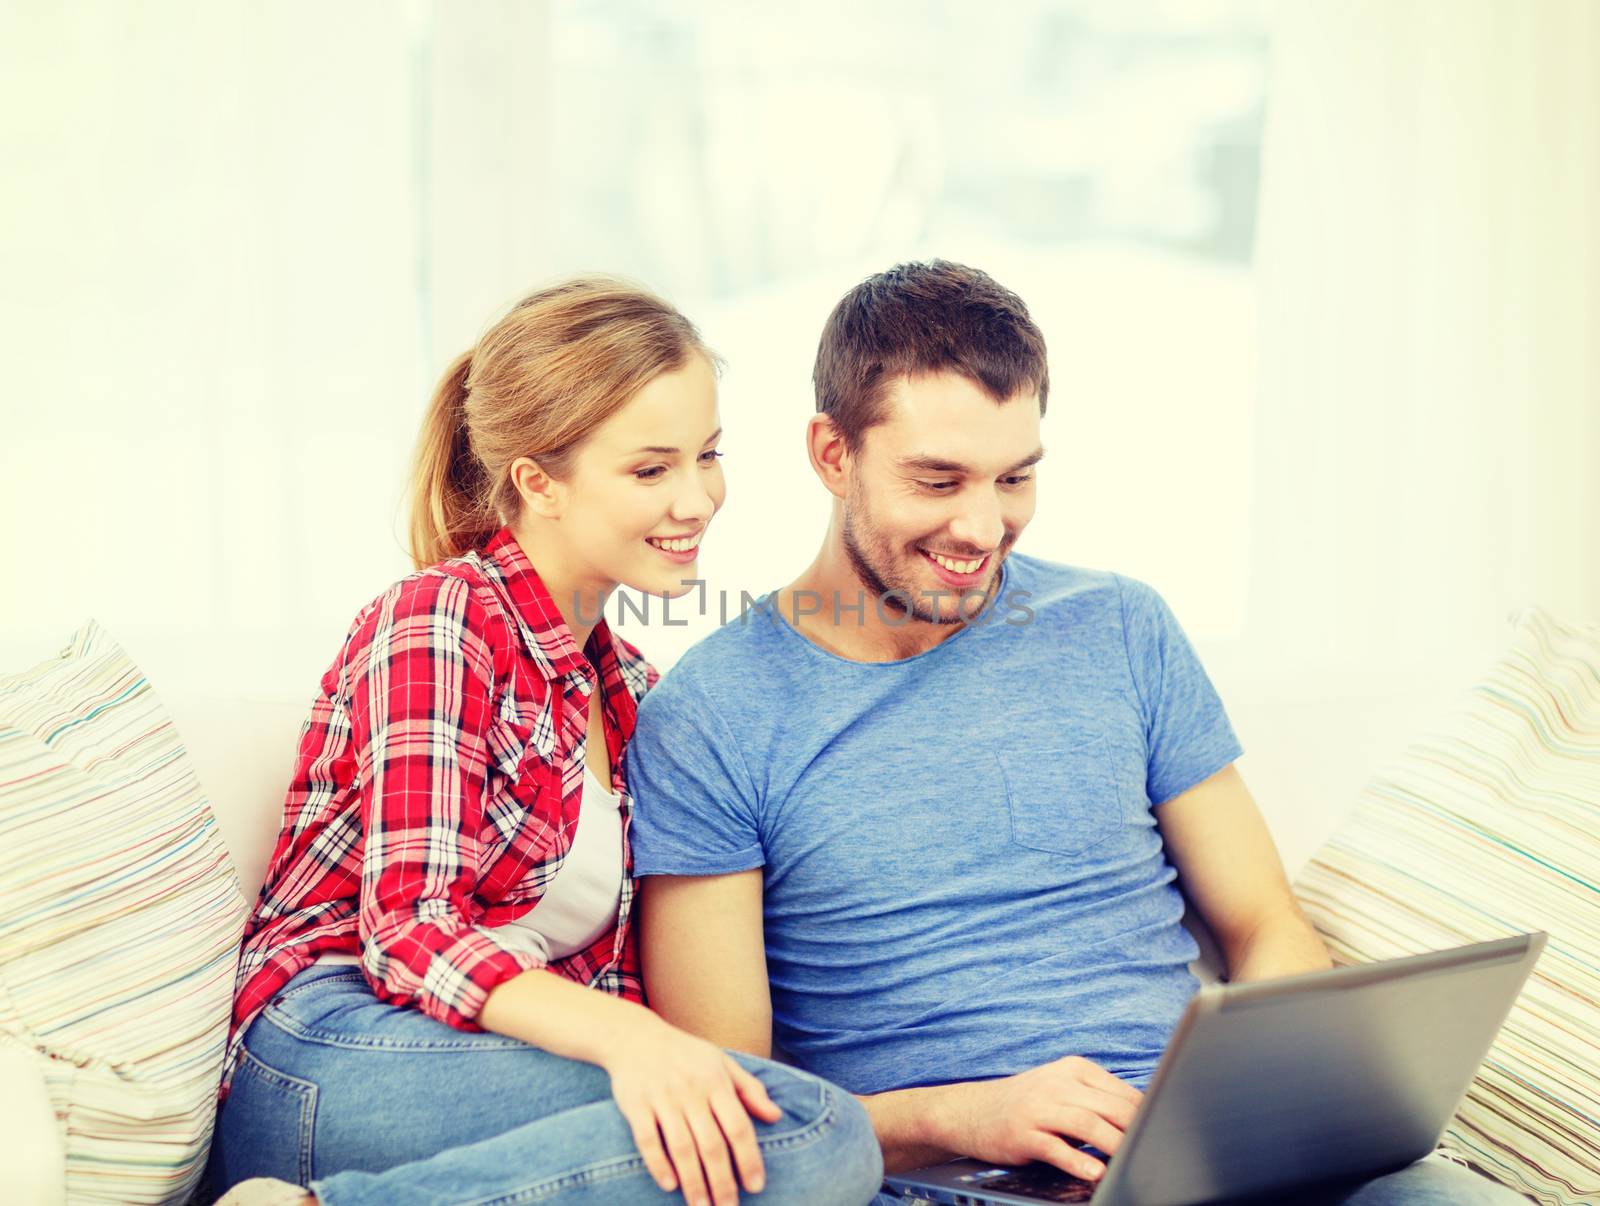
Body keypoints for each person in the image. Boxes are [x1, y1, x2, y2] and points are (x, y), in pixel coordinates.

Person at [624, 260, 1527, 1205]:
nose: (981, 525)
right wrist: (956, 1118)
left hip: (1214, 1157)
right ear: (831, 453)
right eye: (937, 480)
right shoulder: (709, 716)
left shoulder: (1121, 626)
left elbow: (1266, 924)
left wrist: (1264, 1104)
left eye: (1015, 477)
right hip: (955, 1183)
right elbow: (732, 1104)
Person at [208, 278, 883, 1206]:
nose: (698, 500)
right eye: (651, 471)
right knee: (801, 1128)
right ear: (537, 482)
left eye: (709, 456)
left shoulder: (634, 689)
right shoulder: (441, 621)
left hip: (480, 1073)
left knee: (773, 1134)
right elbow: (408, 931)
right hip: (325, 1052)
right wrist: (636, 1042)